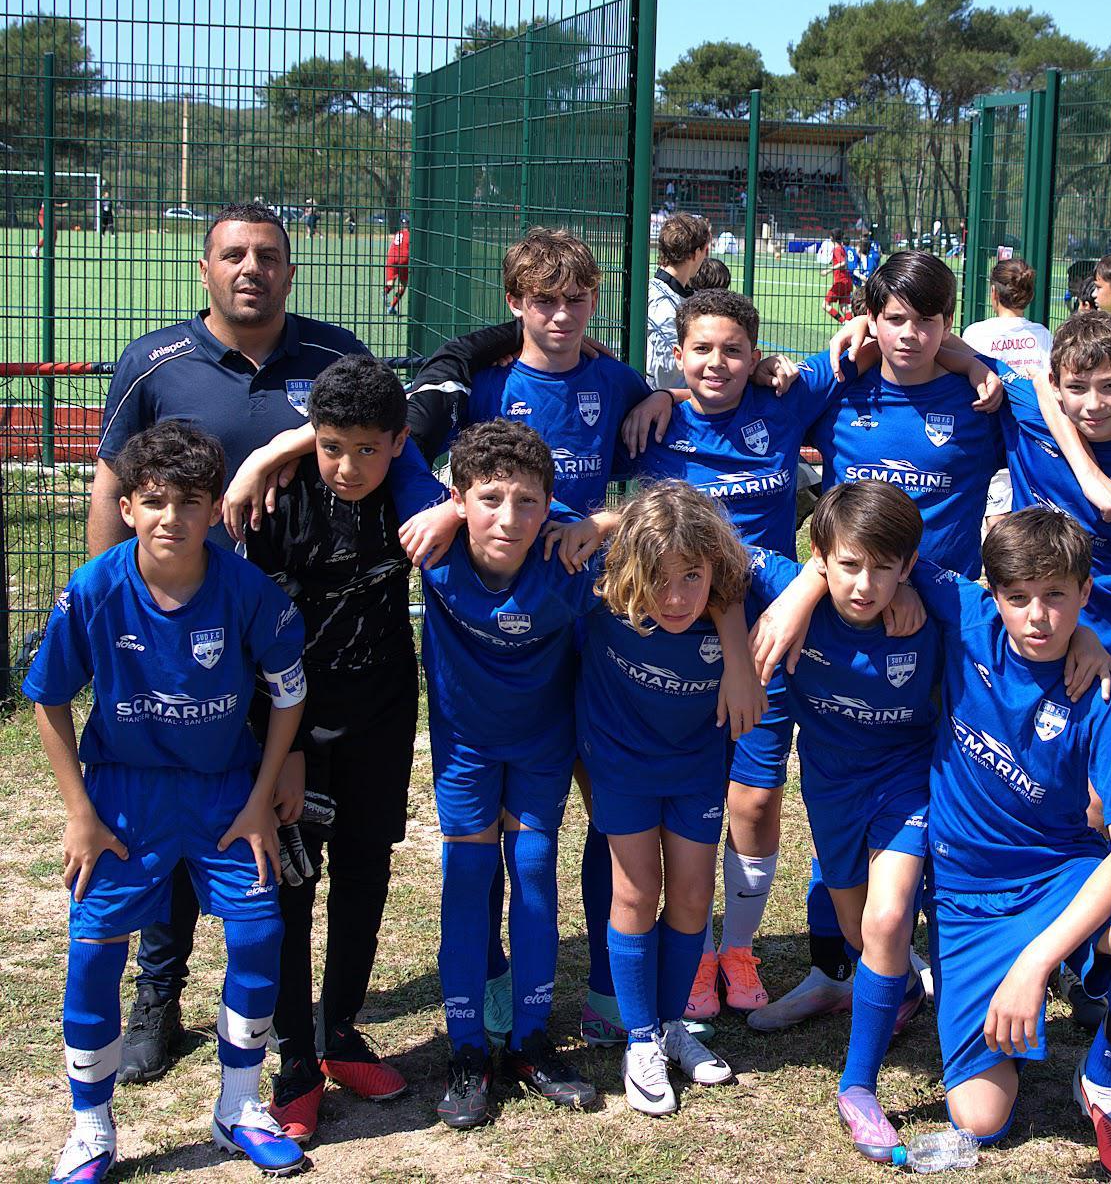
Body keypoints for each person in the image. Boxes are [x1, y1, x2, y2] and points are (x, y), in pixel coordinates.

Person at [89, 201, 439, 1089]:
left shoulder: (335, 358)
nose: (251, 268)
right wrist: (113, 621)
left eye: (269, 256)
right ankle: (157, 1001)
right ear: (205, 269)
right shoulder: (155, 364)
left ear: (291, 270)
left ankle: (331, 1032)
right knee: (173, 819)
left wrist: (270, 453)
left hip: (312, 664)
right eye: (233, 255)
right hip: (196, 650)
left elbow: (378, 440)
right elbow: (114, 486)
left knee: (306, 851)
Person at [27, 420, 310, 1181]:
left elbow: (288, 694)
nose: (170, 519)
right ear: (126, 507)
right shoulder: (92, 590)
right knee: (93, 952)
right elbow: (48, 700)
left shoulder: (248, 591)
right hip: (123, 793)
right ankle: (91, 1128)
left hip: (225, 793)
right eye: (153, 501)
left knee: (257, 935)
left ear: (216, 508)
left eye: (190, 502)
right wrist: (80, 812)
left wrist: (260, 797)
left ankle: (238, 1107)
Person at [752, 250, 1006, 1031]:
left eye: (927, 320)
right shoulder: (844, 387)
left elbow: (1051, 421)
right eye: (893, 318)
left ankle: (924, 958)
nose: (910, 335)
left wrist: (974, 358)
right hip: (845, 624)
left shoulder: (976, 398)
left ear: (947, 321)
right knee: (834, 790)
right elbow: (762, 403)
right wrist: (803, 585)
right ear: (869, 317)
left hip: (936, 639)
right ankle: (838, 968)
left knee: (932, 802)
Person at [618, 289, 881, 1019]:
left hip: (770, 640)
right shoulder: (650, 423)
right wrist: (661, 395)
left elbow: (865, 338)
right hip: (671, 650)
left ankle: (735, 946)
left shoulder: (784, 399)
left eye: (734, 349)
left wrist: (852, 327)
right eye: (701, 349)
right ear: (678, 353)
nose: (717, 364)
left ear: (756, 354)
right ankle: (692, 950)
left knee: (758, 799)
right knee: (685, 803)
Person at [911, 510, 1111, 1184]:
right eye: (1019, 598)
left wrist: (1035, 961)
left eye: (1057, 597)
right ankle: (1042, 976)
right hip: (966, 898)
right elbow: (871, 552)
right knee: (981, 1120)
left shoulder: (1101, 692)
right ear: (994, 592)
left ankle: (1104, 1079)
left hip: (1058, 874)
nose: (1038, 616)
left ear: (1085, 592)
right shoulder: (966, 615)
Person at [240, 356, 447, 1143]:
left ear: (398, 443)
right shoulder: (275, 504)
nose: (348, 465)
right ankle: (294, 1058)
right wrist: (281, 748)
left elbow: (453, 365)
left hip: (385, 715)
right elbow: (259, 639)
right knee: (292, 882)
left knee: (367, 867)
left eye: (367, 448)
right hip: (297, 729)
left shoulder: (404, 483)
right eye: (330, 447)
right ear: (309, 440)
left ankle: (342, 1032)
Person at [418, 421, 614, 1129]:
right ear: (458, 499)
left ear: (550, 505)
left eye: (527, 502)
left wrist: (600, 519)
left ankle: (532, 1043)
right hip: (467, 749)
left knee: (534, 872)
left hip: (541, 746)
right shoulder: (432, 544)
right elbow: (378, 445)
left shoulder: (569, 553)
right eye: (489, 498)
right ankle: (467, 1050)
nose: (508, 518)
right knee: (466, 881)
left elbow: (684, 519)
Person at [739, 483, 939, 1161]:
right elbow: (698, 531)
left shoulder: (931, 600)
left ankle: (857, 1087)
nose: (866, 584)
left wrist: (1085, 636)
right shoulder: (788, 584)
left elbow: (1016, 600)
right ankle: (902, 988)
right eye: (849, 565)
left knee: (886, 924)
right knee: (861, 934)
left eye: (884, 568)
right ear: (822, 556)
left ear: (908, 566)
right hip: (830, 788)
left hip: (906, 782)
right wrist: (801, 587)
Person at [577, 481, 761, 1116]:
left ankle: (671, 1021)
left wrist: (738, 652)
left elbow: (823, 562)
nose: (677, 596)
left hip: (697, 769)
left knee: (690, 895)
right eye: (659, 578)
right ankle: (641, 1038)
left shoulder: (736, 592)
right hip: (622, 766)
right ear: (631, 569)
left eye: (692, 576)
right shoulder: (599, 593)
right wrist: (604, 521)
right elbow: (537, 529)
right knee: (634, 892)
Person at [996, 311, 1111, 670]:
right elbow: (951, 348)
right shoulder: (1028, 411)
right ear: (1056, 384)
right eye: (1077, 387)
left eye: (1110, 386)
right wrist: (864, 323)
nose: (1093, 405)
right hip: (1029, 634)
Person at [961, 257, 1055, 523]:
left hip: (988, 431)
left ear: (994, 293)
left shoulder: (976, 333)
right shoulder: (1043, 335)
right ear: (1030, 294)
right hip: (1029, 432)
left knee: (996, 515)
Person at [648, 213, 712, 389]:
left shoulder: (663, 292)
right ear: (696, 253)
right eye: (705, 251)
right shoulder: (663, 304)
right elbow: (668, 371)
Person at [822, 230, 853, 324]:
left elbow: (842, 263)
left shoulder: (837, 249)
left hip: (841, 281)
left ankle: (843, 322)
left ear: (831, 237)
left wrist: (828, 270)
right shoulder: (842, 248)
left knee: (825, 305)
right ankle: (850, 323)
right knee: (844, 306)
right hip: (847, 281)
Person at [383, 223, 410, 314]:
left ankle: (385, 292)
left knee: (390, 282)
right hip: (403, 258)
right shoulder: (411, 235)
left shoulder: (398, 232)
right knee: (403, 285)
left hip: (392, 257)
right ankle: (392, 307)